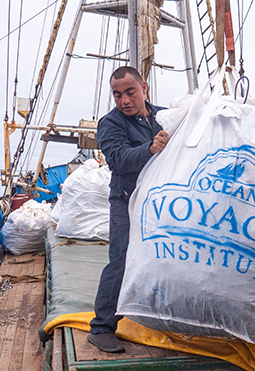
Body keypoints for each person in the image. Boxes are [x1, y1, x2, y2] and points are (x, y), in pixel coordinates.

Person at [88, 66, 170, 353]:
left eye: (130, 92)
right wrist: (150, 148)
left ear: (144, 87)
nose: (124, 100)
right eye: (117, 94)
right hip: (126, 201)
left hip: (159, 203)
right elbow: (119, 159)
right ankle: (101, 328)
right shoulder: (110, 123)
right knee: (121, 262)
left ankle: (159, 318)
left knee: (163, 259)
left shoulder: (165, 116)